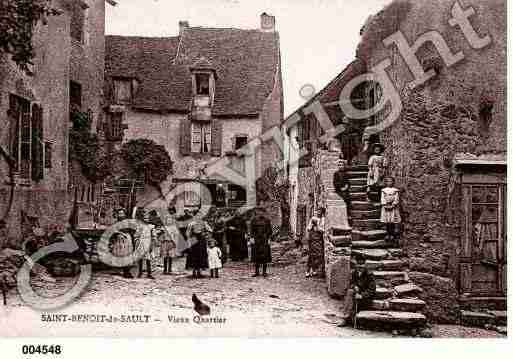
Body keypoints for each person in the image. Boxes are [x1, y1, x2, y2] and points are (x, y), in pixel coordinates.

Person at [339, 259, 376, 327]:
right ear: (356, 266)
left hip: (366, 298)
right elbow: (351, 283)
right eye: (358, 267)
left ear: (365, 266)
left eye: (362, 267)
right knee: (350, 292)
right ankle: (345, 317)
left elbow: (372, 290)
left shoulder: (369, 275)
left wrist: (361, 295)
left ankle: (347, 318)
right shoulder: (354, 273)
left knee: (351, 299)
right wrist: (354, 286)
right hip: (355, 294)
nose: (360, 269)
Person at [185, 208, 211, 279]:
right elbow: (187, 234)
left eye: (199, 215)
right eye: (196, 215)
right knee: (194, 255)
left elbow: (210, 230)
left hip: (201, 241)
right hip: (194, 240)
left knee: (201, 255)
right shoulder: (191, 223)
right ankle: (194, 271)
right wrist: (189, 241)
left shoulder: (203, 223)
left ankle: (199, 271)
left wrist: (205, 235)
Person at [111, 208, 135, 279]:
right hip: (120, 240)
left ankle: (127, 271)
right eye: (119, 214)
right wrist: (119, 233)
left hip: (127, 239)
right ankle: (125, 271)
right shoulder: (116, 223)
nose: (121, 215)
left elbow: (132, 230)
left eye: (122, 214)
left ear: (125, 214)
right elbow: (113, 230)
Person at [249, 206, 272, 277]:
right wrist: (252, 238)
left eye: (262, 212)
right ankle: (256, 272)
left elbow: (270, 230)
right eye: (259, 212)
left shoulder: (267, 220)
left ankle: (264, 272)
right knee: (256, 256)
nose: (260, 213)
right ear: (257, 212)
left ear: (264, 213)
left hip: (264, 240)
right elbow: (251, 230)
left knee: (265, 256)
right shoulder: (253, 220)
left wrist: (268, 238)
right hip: (256, 240)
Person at [135, 209, 158, 279]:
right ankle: (140, 272)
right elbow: (136, 235)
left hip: (148, 243)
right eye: (145, 218)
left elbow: (154, 236)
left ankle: (149, 273)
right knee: (140, 258)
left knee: (148, 259)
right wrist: (137, 242)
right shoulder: (140, 226)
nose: (146, 220)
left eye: (147, 218)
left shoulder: (151, 226)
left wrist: (152, 244)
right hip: (141, 243)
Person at [380, 177, 401, 245]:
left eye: (391, 181)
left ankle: (393, 235)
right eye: (388, 181)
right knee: (387, 221)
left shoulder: (395, 190)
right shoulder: (383, 190)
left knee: (393, 221)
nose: (389, 183)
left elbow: (396, 198)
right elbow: (382, 198)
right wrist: (385, 205)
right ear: (386, 183)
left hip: (393, 208)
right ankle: (387, 234)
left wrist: (393, 205)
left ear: (393, 182)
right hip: (386, 207)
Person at [306, 208, 325, 278]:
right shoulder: (313, 218)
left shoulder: (323, 220)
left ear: (322, 212)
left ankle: (314, 269)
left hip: (319, 239)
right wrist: (311, 226)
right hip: (312, 239)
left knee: (319, 255)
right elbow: (308, 228)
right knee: (311, 254)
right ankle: (308, 270)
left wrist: (317, 226)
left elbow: (323, 230)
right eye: (317, 211)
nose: (318, 212)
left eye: (319, 211)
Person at [333, 157, 352, 225]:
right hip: (339, 190)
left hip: (345, 189)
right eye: (339, 165)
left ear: (344, 166)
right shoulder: (336, 173)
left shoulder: (346, 174)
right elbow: (335, 183)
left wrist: (347, 186)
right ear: (338, 166)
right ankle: (345, 214)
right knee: (343, 197)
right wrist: (340, 187)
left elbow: (348, 182)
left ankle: (348, 214)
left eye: (342, 165)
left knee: (348, 198)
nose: (341, 166)